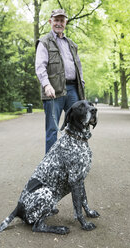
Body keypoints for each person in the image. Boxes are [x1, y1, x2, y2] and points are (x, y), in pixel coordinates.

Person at [35, 9, 85, 153]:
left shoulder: (72, 44)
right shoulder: (44, 42)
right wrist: (46, 85)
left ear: (65, 23)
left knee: (77, 126)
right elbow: (40, 67)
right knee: (52, 129)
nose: (59, 23)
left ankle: (74, 160)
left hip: (72, 90)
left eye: (62, 21)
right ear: (50, 21)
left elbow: (78, 67)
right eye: (56, 20)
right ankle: (49, 164)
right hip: (53, 91)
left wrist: (81, 83)